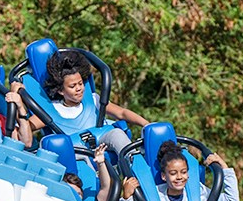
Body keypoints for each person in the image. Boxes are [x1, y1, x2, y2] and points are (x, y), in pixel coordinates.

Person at [18, 51, 149, 142]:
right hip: (79, 153)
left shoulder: (92, 100)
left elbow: (121, 113)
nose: (79, 88)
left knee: (118, 134)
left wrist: (146, 124)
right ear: (61, 91)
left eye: (80, 83)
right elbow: (25, 131)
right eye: (72, 86)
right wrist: (20, 107)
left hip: (104, 140)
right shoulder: (51, 111)